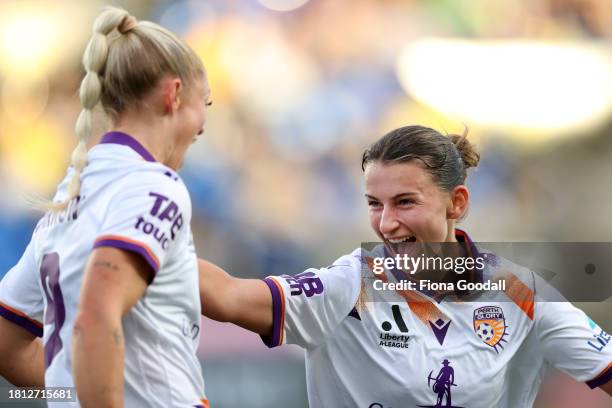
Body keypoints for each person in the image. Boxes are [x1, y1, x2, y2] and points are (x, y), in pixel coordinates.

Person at [198, 125, 612, 407]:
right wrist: (141, 247)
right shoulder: (348, 285)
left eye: (405, 202)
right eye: (375, 204)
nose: (386, 223)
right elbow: (228, 295)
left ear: (458, 203)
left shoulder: (521, 294)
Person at [0, 6, 211, 407]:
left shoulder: (69, 196)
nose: (203, 125)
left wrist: (73, 394)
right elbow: (96, 317)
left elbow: (5, 345)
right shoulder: (155, 185)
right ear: (174, 94)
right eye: (207, 103)